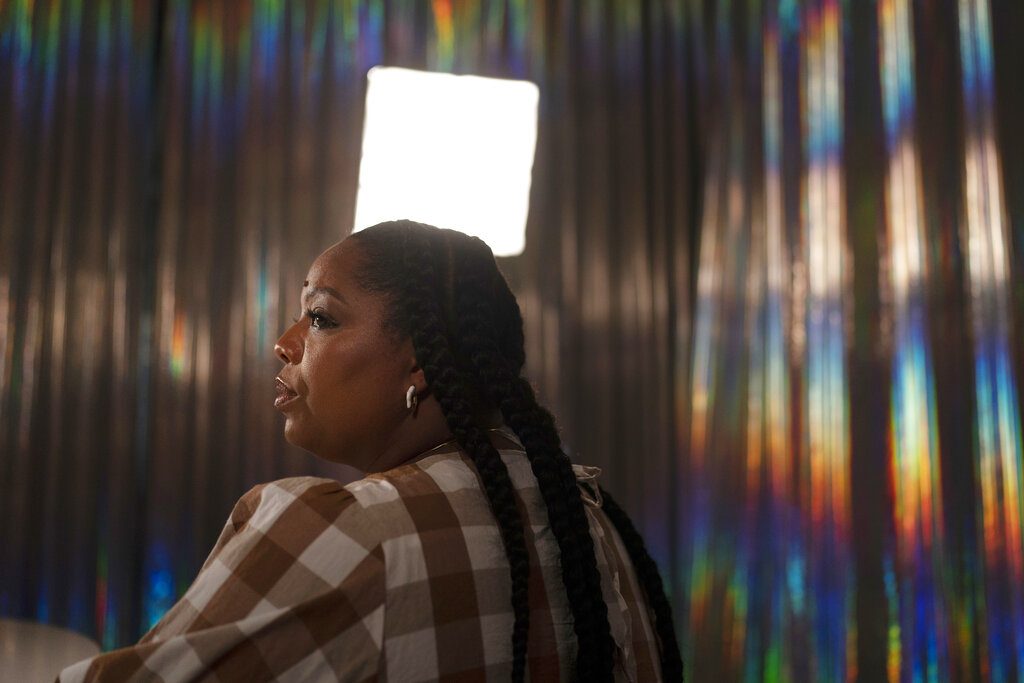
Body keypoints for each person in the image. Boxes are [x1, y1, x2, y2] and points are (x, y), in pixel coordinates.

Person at [60, 220, 682, 682]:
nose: (285, 343)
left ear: (417, 362)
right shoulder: (595, 528)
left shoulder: (353, 537)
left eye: (320, 318)